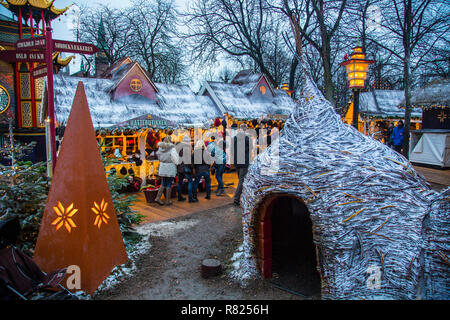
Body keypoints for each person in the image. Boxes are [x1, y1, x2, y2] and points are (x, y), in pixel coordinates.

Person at [154, 135, 180, 206]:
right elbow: (176, 159)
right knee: (169, 183)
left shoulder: (160, 148)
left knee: (163, 183)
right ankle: (168, 200)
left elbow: (159, 158)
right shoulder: (172, 149)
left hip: (163, 166)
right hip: (170, 166)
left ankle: (158, 198)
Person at [233, 123, 253, 206]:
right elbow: (251, 148)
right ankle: (236, 198)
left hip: (237, 162)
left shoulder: (235, 137)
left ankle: (241, 197)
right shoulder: (247, 138)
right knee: (242, 180)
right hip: (244, 161)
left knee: (240, 180)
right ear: (246, 129)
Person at [175, 135, 194, 202]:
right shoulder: (188, 148)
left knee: (180, 182)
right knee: (190, 182)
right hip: (186, 167)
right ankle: (190, 198)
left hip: (180, 167)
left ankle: (179, 197)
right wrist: (192, 167)